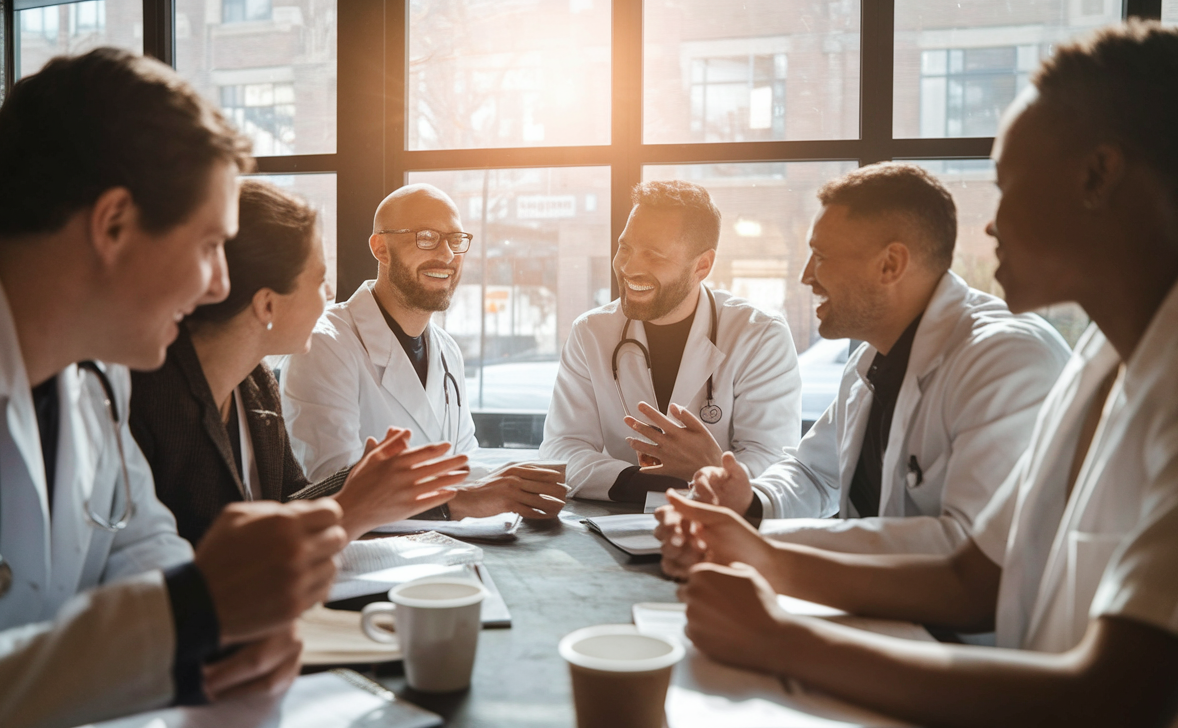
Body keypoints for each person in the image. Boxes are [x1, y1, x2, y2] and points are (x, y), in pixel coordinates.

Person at [663, 22, 1178, 728]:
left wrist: (781, 640)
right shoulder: (1106, 355)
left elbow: (1100, 718)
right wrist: (764, 554)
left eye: (1009, 186)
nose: (988, 224)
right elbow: (974, 575)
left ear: (1099, 175)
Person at [0, 49, 347, 728]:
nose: (220, 283)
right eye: (211, 244)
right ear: (114, 223)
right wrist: (186, 617)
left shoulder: (97, 370)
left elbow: (139, 544)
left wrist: (220, 638)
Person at [666, 164, 1069, 562]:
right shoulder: (872, 358)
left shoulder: (1006, 358)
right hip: (884, 612)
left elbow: (963, 548)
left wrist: (759, 546)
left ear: (890, 265)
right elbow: (814, 473)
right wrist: (749, 501)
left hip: (961, 628)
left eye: (821, 257)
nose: (807, 277)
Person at [130, 180, 468, 546]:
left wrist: (364, 481)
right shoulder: (153, 402)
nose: (329, 294)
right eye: (320, 279)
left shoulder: (256, 385)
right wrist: (363, 489)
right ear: (267, 305)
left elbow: (289, 500)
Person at [281, 184, 568, 520]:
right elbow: (332, 486)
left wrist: (522, 482)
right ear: (381, 249)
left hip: (442, 545)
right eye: (427, 237)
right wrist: (460, 502)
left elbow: (462, 463)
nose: (447, 255)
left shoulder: (447, 351)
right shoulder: (324, 344)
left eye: (455, 239)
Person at [540, 180, 802, 503]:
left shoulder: (760, 335)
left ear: (701, 266)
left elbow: (773, 461)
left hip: (720, 528)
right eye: (625, 248)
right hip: (618, 523)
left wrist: (711, 468)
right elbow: (561, 448)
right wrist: (642, 483)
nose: (628, 267)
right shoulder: (591, 333)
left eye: (653, 255)